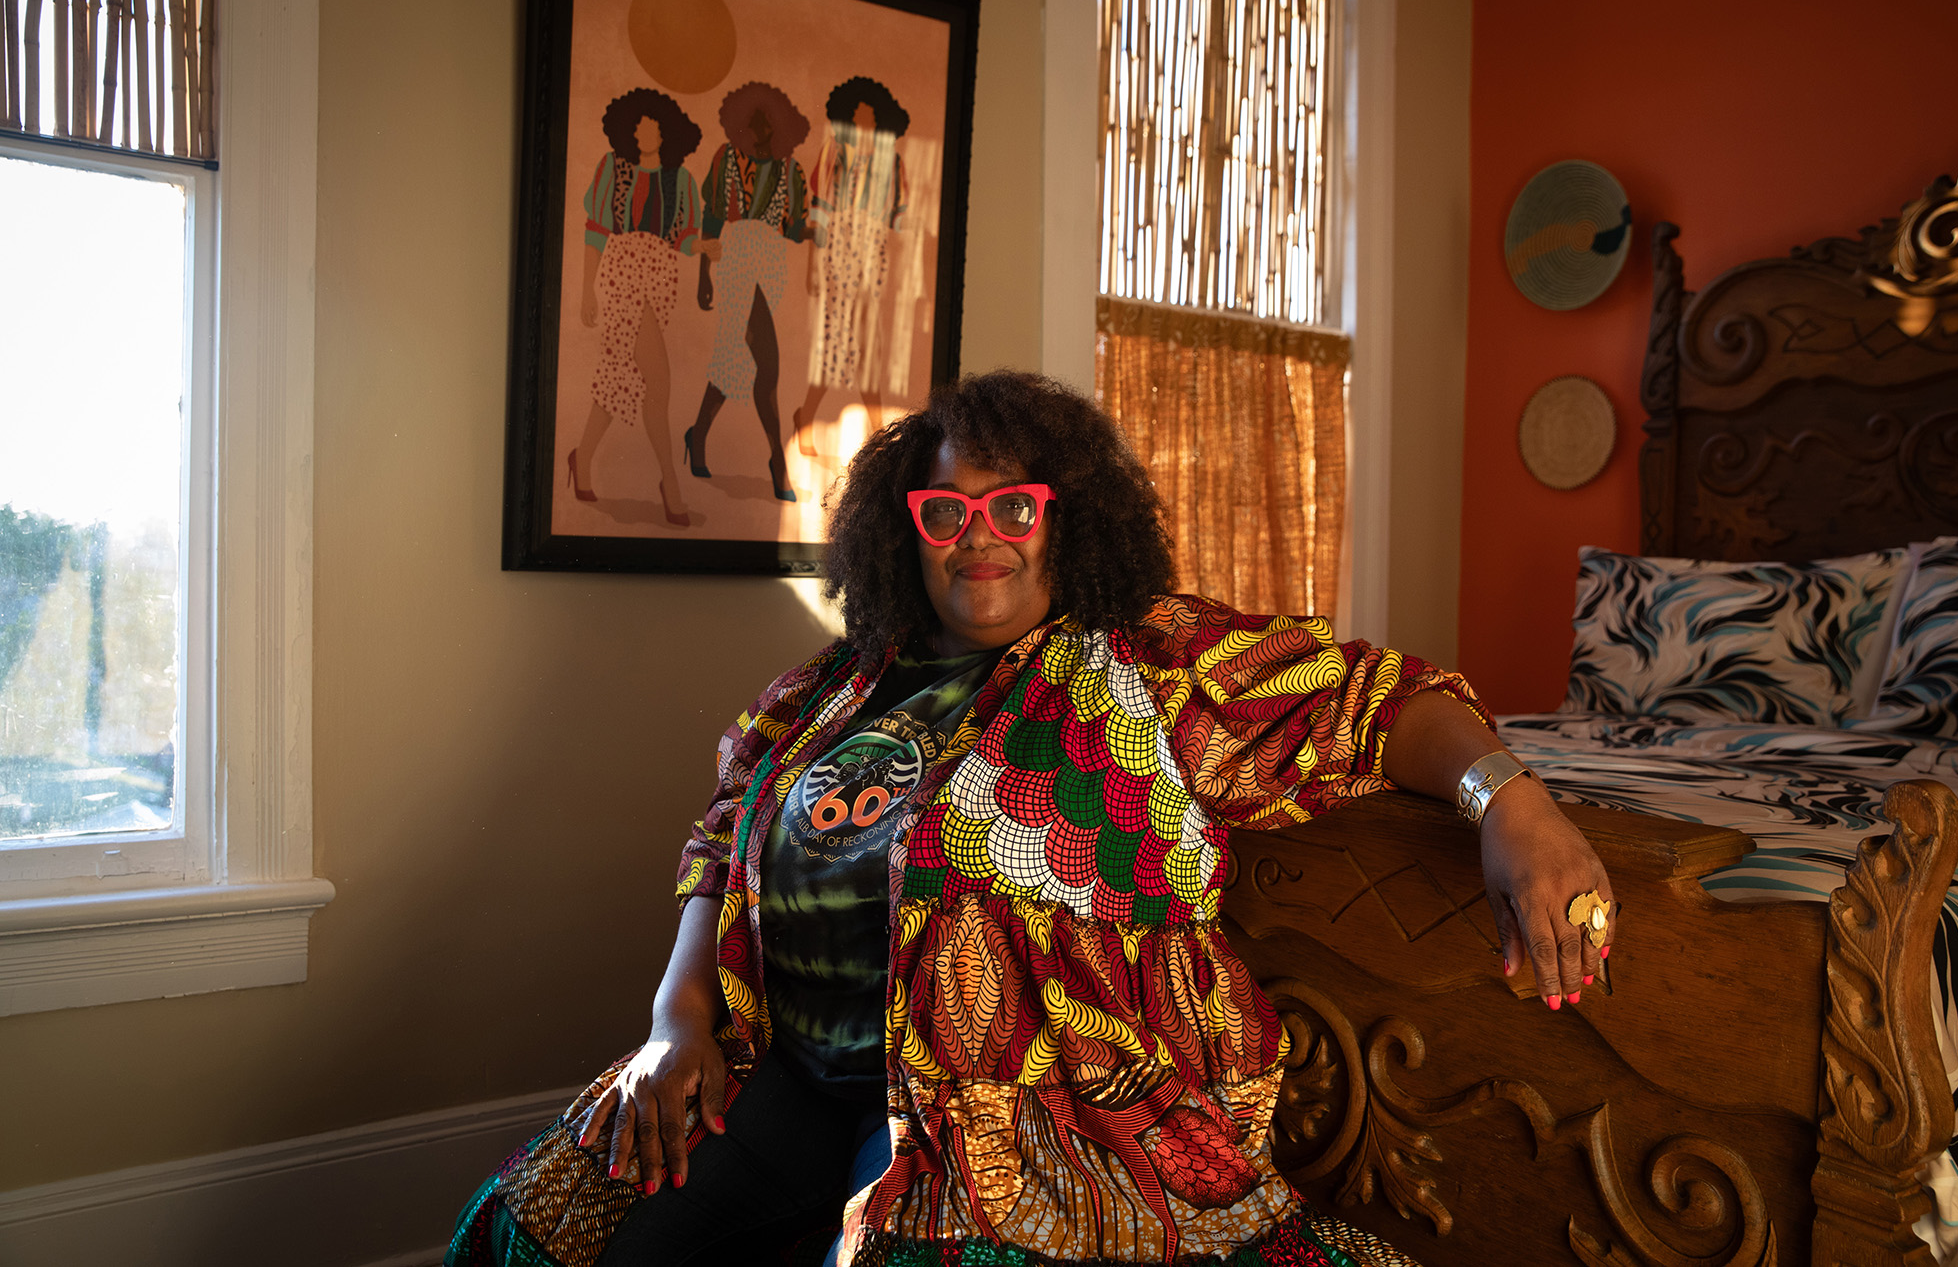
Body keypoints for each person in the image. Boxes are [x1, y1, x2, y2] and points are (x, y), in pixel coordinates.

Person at [446, 371, 1617, 1267]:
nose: (980, 537)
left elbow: (1379, 703)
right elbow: (719, 857)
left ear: (1067, 519)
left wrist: (1506, 801)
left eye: (1013, 505)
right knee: (539, 1231)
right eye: (945, 511)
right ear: (907, 527)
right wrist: (673, 1021)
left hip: (1029, 1115)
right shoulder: (827, 687)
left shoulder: (1156, 660)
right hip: (788, 1070)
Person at [572, 88, 705, 528]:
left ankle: (583, 456)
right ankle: (669, 480)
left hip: (661, 280)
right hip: (623, 275)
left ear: (665, 132)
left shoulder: (681, 179)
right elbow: (596, 229)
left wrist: (702, 245)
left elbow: (682, 239)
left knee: (621, 376)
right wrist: (588, 289)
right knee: (657, 378)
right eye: (637, 126)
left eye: (650, 125)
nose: (642, 132)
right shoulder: (613, 168)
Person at [685, 81, 814, 504]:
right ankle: (778, 458)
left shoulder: (790, 170)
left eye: (766, 123)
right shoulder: (727, 160)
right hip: (735, 262)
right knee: (767, 364)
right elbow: (713, 216)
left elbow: (793, 228)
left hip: (771, 266)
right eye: (752, 122)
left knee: (733, 357)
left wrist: (818, 232)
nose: (759, 130)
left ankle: (698, 432)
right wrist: (704, 273)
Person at [798, 76, 912, 460]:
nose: (863, 123)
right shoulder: (835, 153)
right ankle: (809, 417)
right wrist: (815, 266)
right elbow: (820, 212)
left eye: (870, 117)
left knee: (867, 347)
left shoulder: (893, 163)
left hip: (871, 257)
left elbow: (899, 223)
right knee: (834, 344)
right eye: (857, 115)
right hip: (839, 254)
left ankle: (877, 432)